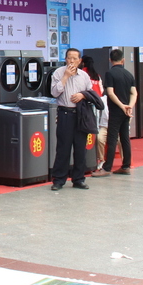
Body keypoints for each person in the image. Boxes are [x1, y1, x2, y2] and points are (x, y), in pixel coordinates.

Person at [49, 48, 92, 190]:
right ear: (65, 59)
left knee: (80, 148)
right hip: (65, 114)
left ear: (80, 61)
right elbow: (54, 93)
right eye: (69, 58)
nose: (71, 61)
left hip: (80, 114)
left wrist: (82, 95)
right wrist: (66, 77)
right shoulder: (58, 73)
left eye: (74, 58)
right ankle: (59, 180)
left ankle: (78, 179)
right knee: (63, 148)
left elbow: (91, 93)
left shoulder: (84, 75)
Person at [98, 49, 135, 177]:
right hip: (126, 111)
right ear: (123, 60)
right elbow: (134, 93)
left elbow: (110, 92)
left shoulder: (110, 73)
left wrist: (121, 106)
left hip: (115, 110)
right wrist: (129, 106)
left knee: (112, 138)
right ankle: (126, 166)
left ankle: (107, 168)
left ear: (110, 60)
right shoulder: (129, 74)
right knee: (125, 138)